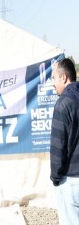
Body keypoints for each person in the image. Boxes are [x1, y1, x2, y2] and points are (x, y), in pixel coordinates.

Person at [50, 58, 79, 224]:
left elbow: (58, 146)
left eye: (54, 77)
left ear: (64, 78)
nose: (52, 82)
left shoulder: (63, 104)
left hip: (71, 180)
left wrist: (55, 177)